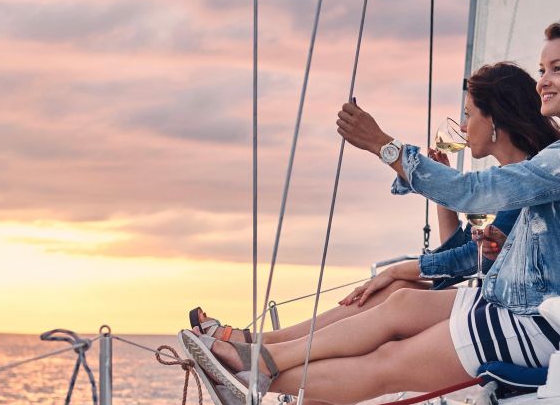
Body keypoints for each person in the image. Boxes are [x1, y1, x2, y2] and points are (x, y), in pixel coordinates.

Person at [186, 24, 560, 405]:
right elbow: (480, 246)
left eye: (557, 69)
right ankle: (256, 361)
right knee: (398, 303)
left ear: (494, 120)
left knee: (385, 362)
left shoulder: (545, 165)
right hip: (509, 300)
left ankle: (252, 370)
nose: (543, 81)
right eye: (542, 69)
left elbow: (471, 210)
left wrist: (384, 147)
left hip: (534, 320)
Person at [190, 62, 550, 346]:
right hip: (504, 309)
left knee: (397, 296)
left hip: (519, 321)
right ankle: (260, 348)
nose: (462, 124)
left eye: (469, 113)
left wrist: (381, 144)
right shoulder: (522, 177)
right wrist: (440, 194)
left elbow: (464, 261)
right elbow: (464, 252)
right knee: (396, 293)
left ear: (495, 121)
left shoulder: (531, 180)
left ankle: (260, 354)